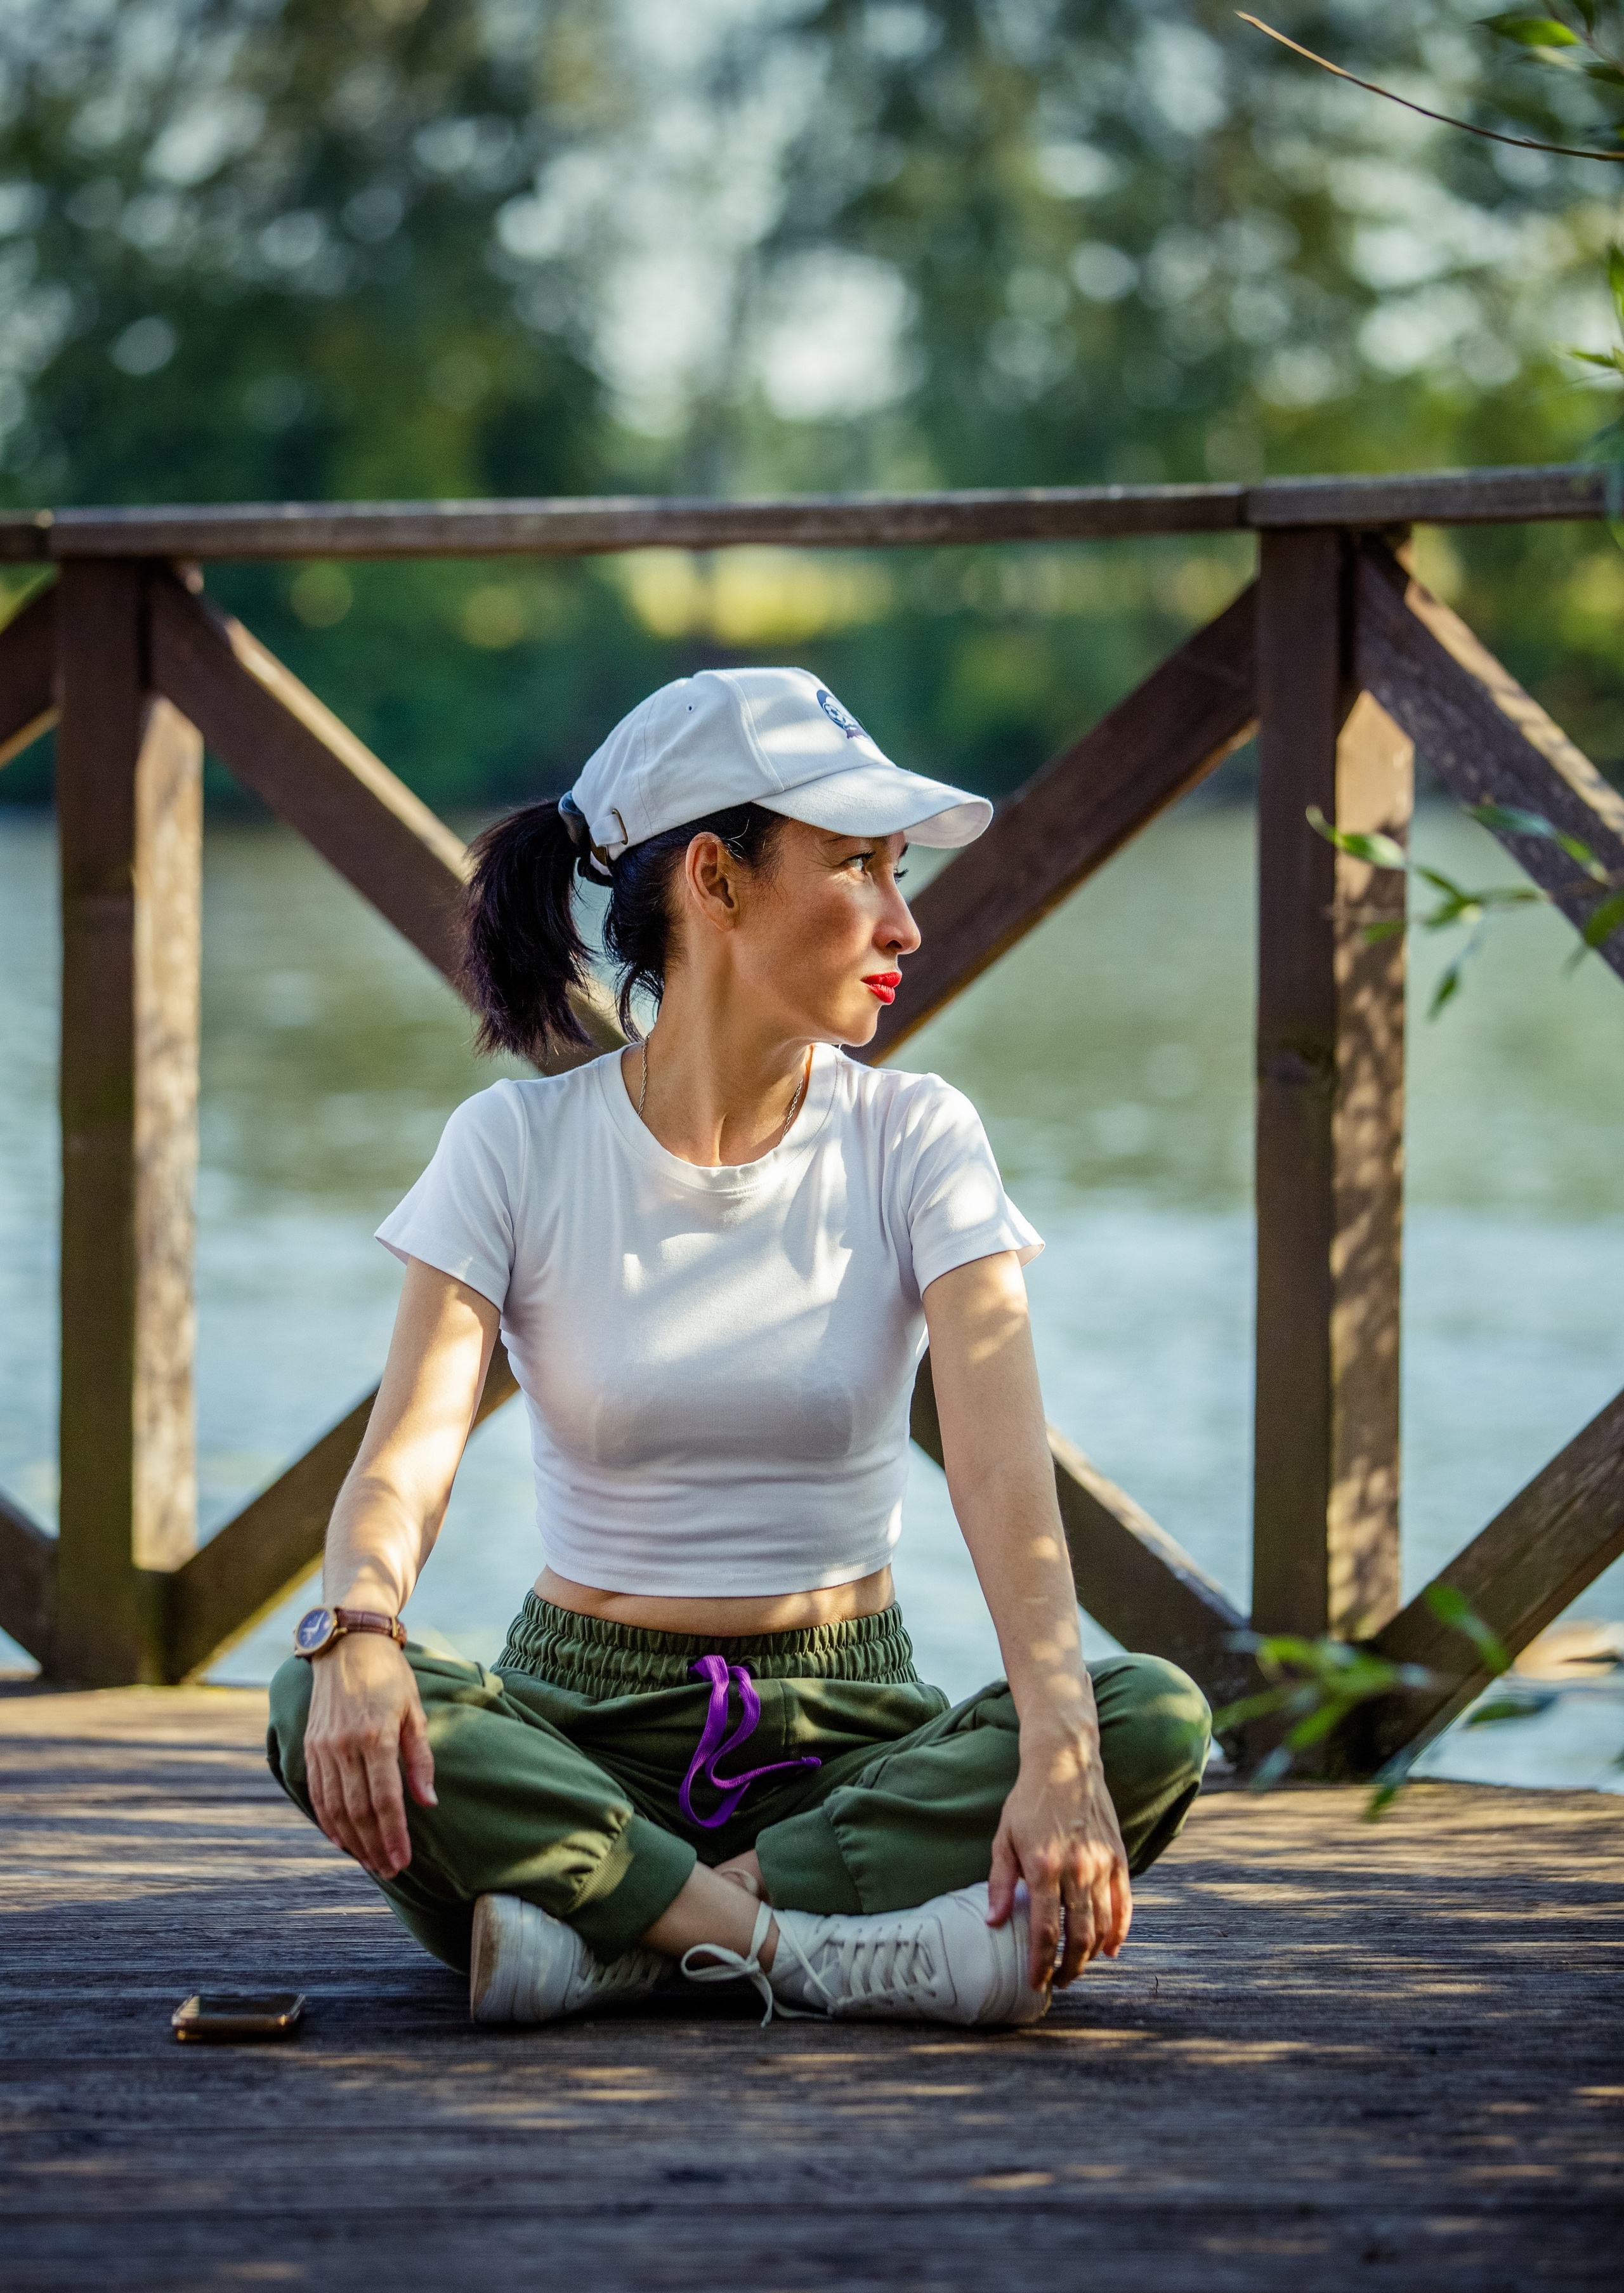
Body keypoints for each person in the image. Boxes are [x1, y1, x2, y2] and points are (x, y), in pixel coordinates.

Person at [266, 665, 1210, 2029]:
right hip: (572, 1735)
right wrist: (359, 1627)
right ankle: (809, 1956)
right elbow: (401, 1463)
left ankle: (623, 1940)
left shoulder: (917, 1136)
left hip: (855, 1737)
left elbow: (1005, 1482)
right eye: (857, 868)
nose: (903, 922)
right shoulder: (514, 1148)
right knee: (316, 1698)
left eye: (901, 871)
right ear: (713, 880)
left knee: (1149, 1720)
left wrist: (1059, 1740)